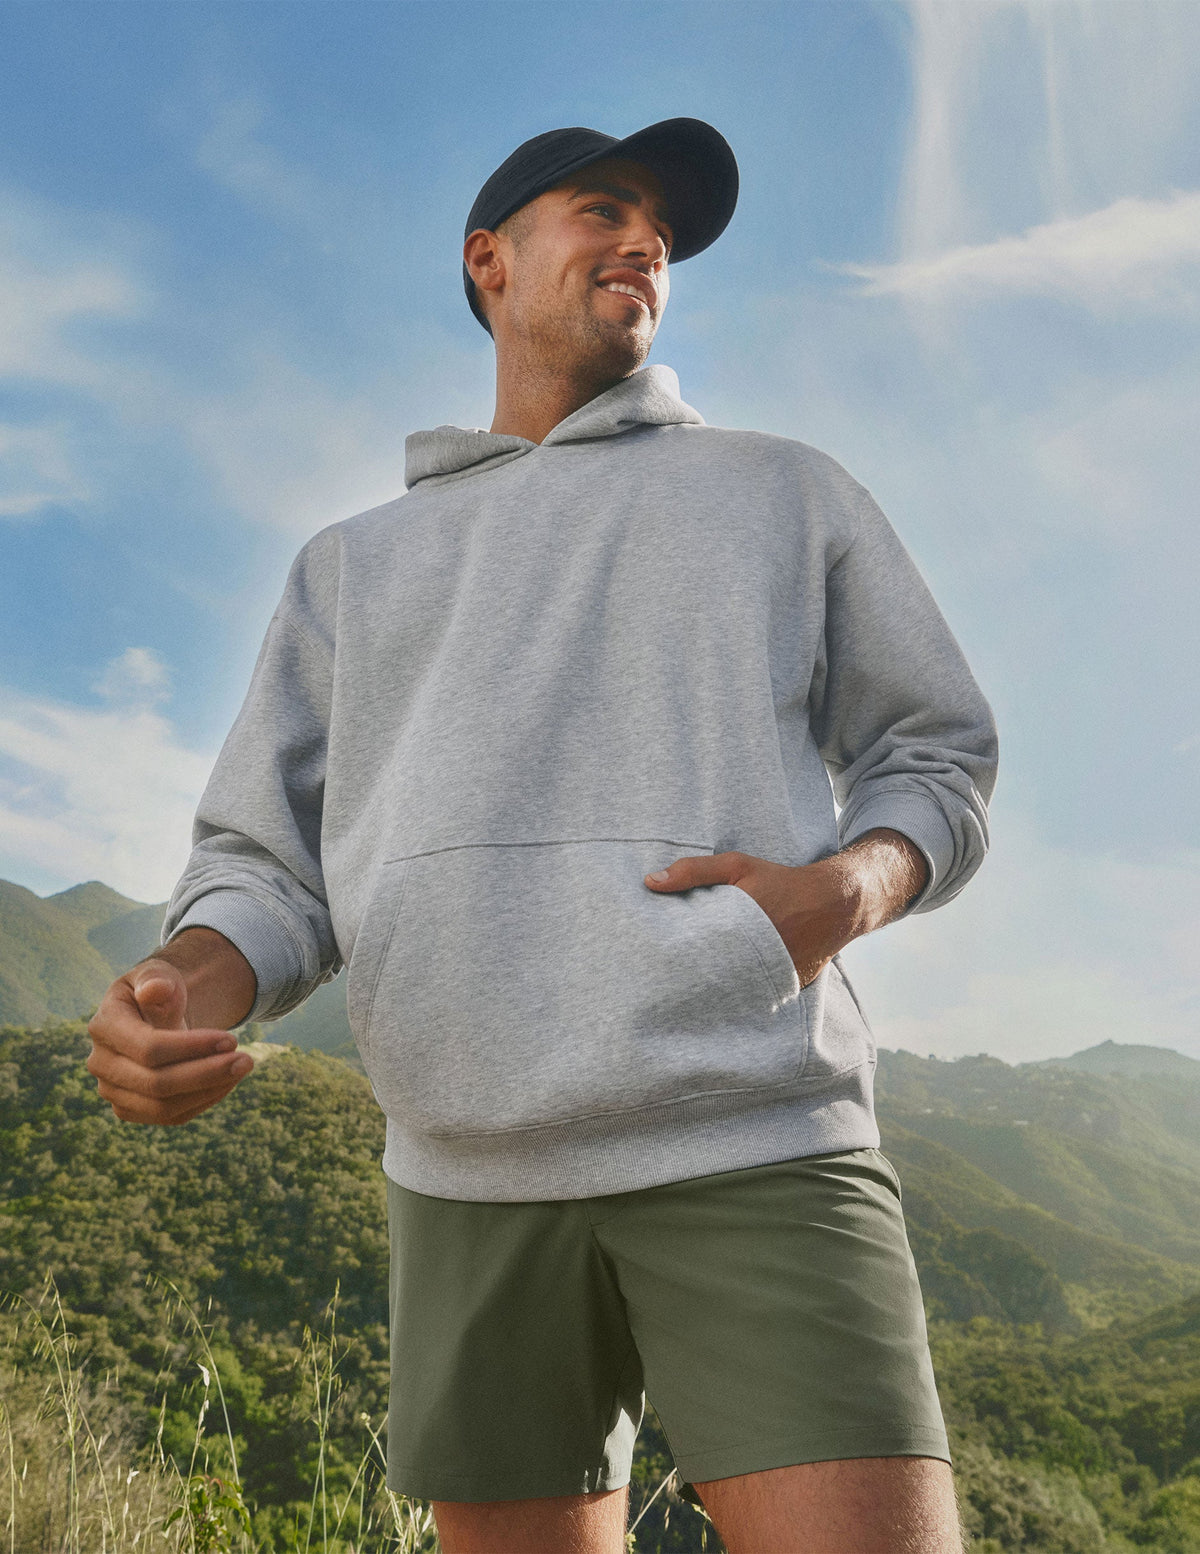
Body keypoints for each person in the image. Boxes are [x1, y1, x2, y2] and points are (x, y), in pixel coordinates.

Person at [87, 117, 998, 1553]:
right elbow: (269, 868)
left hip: (753, 1136)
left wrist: (842, 892)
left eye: (663, 233)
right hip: (463, 1176)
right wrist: (182, 989)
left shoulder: (785, 490)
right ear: (488, 260)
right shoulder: (351, 566)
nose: (647, 242)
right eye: (604, 209)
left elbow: (935, 754)